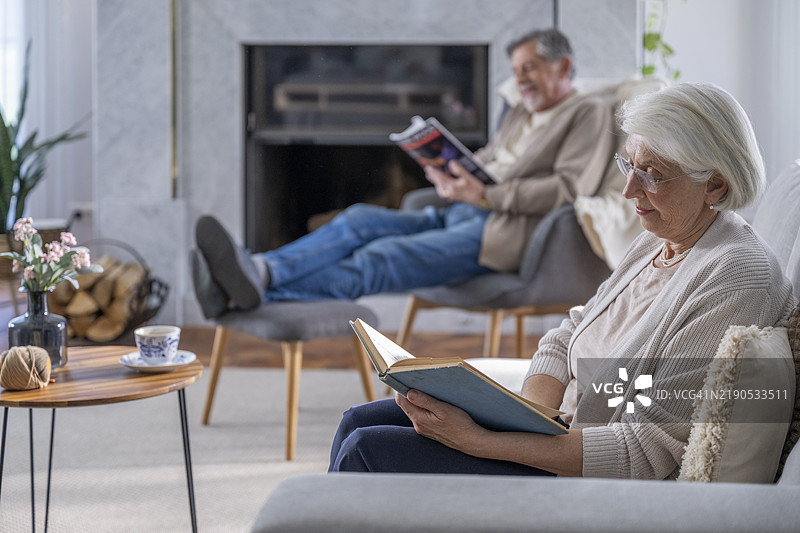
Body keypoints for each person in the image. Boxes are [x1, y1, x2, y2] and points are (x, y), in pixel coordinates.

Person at [328, 82, 797, 479]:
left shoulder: (736, 275)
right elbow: (568, 332)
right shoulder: (661, 238)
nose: (630, 191)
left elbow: (641, 451)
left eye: (652, 175)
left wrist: (482, 441)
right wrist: (527, 416)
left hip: (585, 474)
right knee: (357, 421)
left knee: (367, 450)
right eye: (629, 165)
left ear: (715, 185)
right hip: (553, 433)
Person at [193, 28, 614, 316]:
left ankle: (242, 292)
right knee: (360, 218)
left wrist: (487, 197)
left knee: (380, 258)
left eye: (532, 68)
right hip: (461, 209)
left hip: (502, 232)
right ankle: (262, 270)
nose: (521, 79)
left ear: (563, 67)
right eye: (517, 70)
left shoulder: (587, 114)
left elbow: (569, 189)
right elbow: (493, 156)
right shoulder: (523, 111)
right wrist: (449, 171)